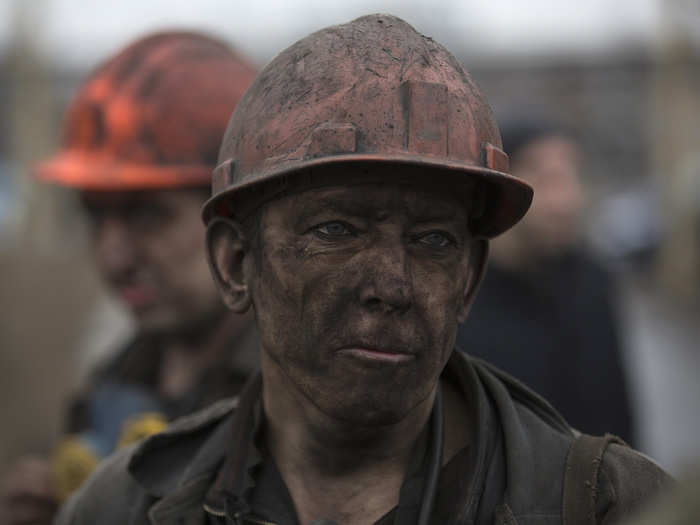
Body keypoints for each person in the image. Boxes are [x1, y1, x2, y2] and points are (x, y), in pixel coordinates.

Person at [55, 15, 670, 525]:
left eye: (433, 240)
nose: (391, 287)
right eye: (336, 230)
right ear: (236, 262)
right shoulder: (124, 505)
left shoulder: (609, 505)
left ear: (470, 278)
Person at [0, 32, 258, 525]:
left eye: (147, 215)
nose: (112, 256)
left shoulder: (305, 402)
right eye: (96, 216)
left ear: (240, 218)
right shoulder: (114, 382)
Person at [456, 117, 636, 443]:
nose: (566, 201)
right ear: (502, 187)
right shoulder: (458, 295)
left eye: (572, 177)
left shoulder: (593, 283)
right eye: (545, 178)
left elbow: (620, 419)